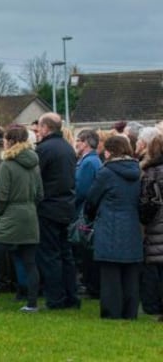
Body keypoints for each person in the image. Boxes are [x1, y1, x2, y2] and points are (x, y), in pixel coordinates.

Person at [0, 126, 43, 313]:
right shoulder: (34, 164)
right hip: (30, 214)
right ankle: (32, 303)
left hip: (10, 215)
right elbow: (40, 193)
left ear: (9, 141)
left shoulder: (7, 164)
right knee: (30, 262)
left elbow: (1, 196)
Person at [85, 135, 143, 319]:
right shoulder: (138, 171)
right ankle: (130, 311)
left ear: (109, 151)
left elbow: (92, 199)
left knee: (110, 272)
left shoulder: (106, 172)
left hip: (109, 223)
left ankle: (112, 311)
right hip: (133, 224)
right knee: (130, 272)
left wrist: (90, 216)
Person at [35, 113, 80, 310]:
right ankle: (72, 296)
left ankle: (55, 298)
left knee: (50, 255)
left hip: (48, 206)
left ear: (45, 128)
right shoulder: (68, 148)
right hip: (66, 205)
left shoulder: (44, 149)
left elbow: (37, 178)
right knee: (65, 254)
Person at [74, 128, 103, 298]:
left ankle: (91, 286)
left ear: (85, 142)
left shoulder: (87, 163)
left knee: (85, 250)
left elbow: (81, 190)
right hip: (88, 211)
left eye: (78, 140)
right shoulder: (94, 161)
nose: (76, 143)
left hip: (83, 212)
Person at [138, 133, 163, 316]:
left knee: (153, 265)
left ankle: (153, 304)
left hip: (155, 222)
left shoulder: (150, 172)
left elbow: (146, 201)